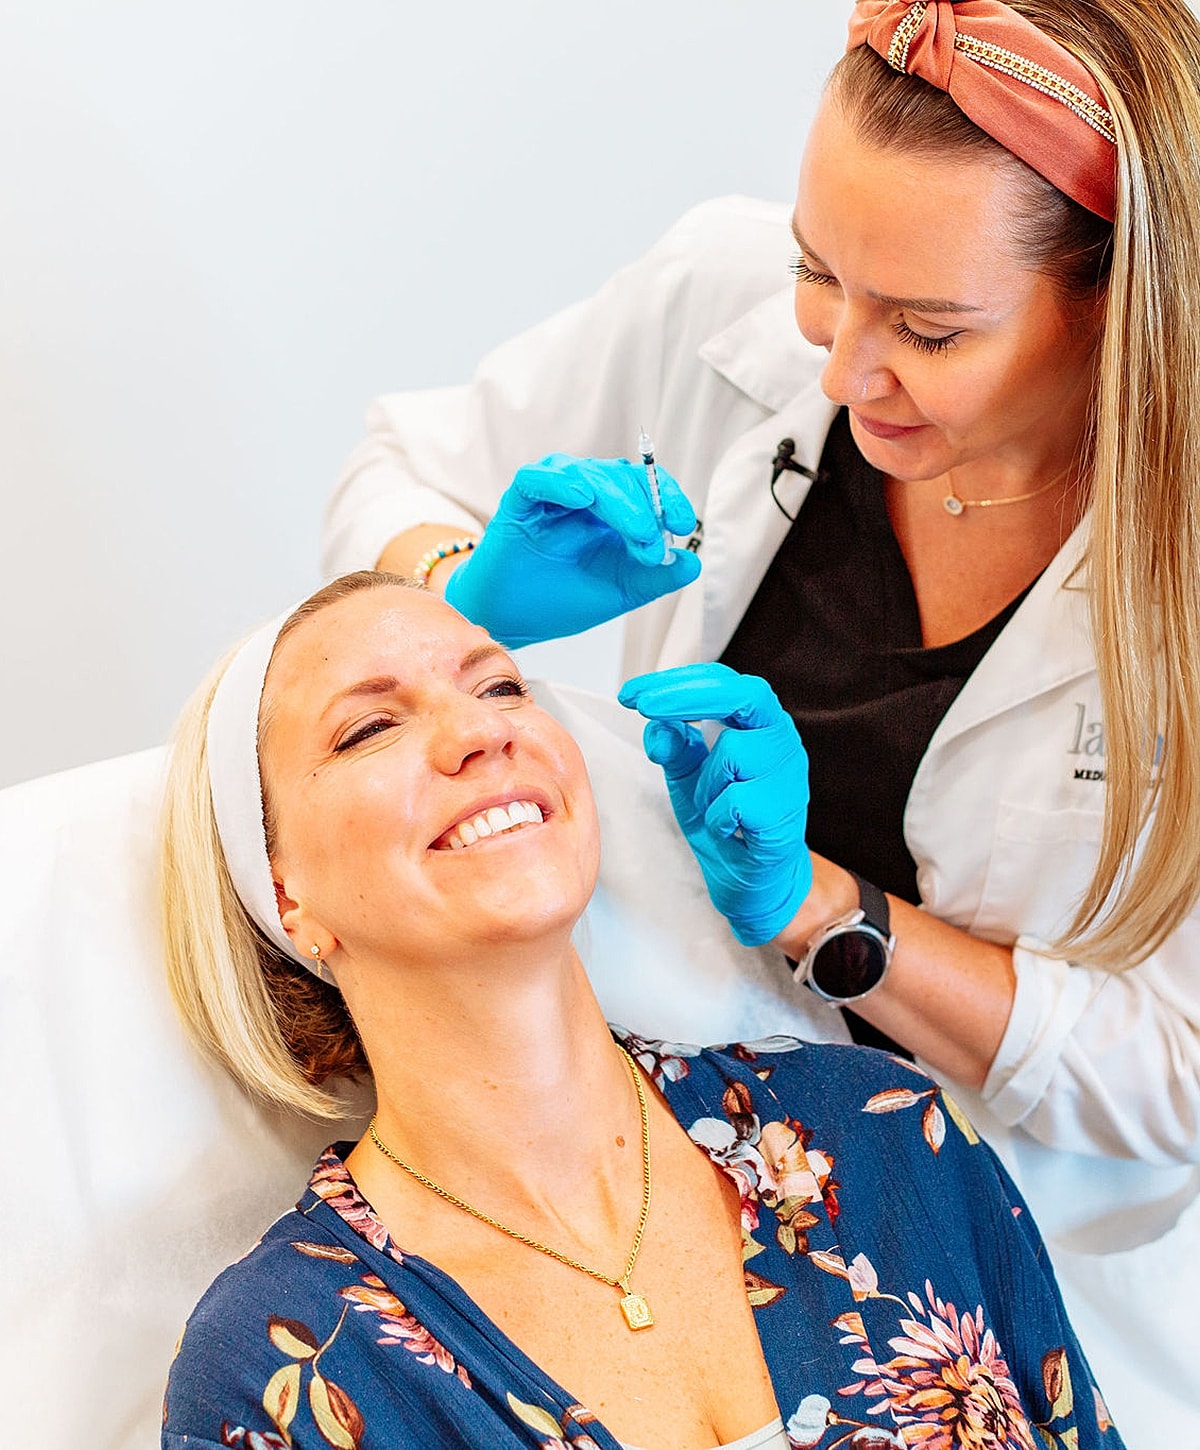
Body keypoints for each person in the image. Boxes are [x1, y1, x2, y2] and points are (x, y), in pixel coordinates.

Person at [321, 2, 1200, 1437]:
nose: (845, 371)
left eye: (930, 328)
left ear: (1118, 304)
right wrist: (461, 596)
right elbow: (402, 464)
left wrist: (825, 913)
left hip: (997, 1252)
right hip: (660, 1166)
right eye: (819, 271)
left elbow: (1175, 1071)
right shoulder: (714, 297)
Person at [159, 570, 1120, 1450]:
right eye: (370, 729)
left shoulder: (885, 1138)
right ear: (284, 894)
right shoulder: (279, 1370)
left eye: (500, 687)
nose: (484, 732)